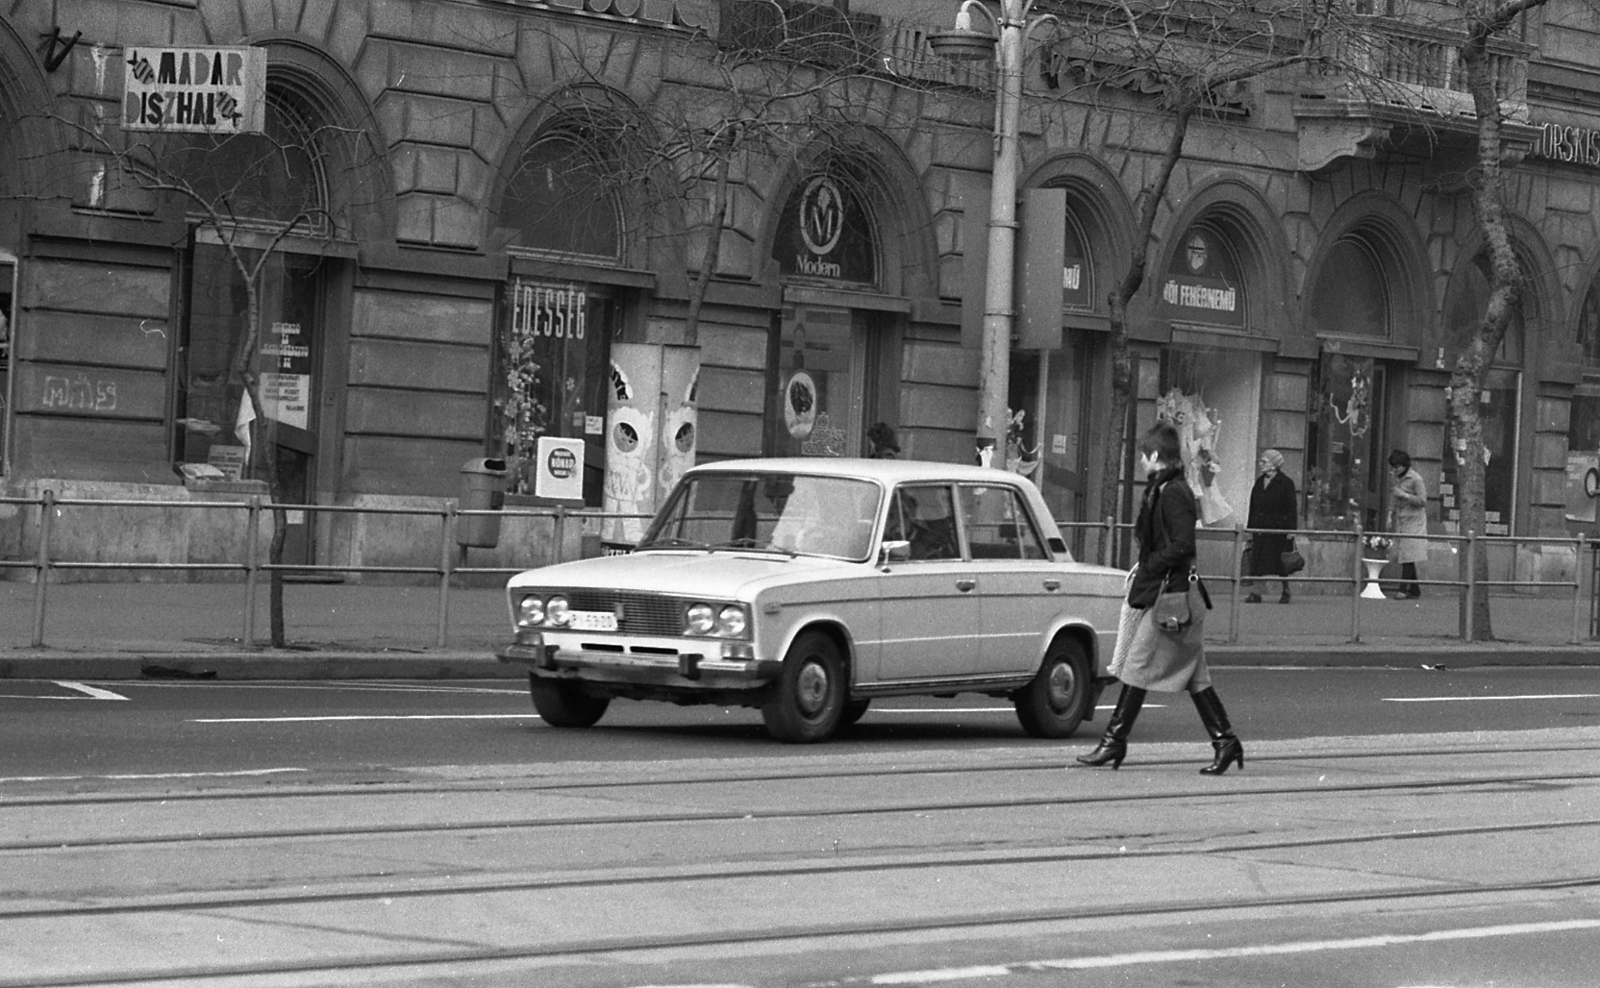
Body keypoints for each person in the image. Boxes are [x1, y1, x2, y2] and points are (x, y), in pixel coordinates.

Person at [1076, 422, 1245, 775]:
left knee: (1137, 665)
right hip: (1172, 596)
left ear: (1154, 456)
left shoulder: (1172, 492)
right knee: (1196, 677)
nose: (1140, 461)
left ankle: (1114, 742)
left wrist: (1149, 565)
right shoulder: (1167, 488)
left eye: (1142, 455)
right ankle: (1225, 742)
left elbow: (1183, 545)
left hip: (1171, 598)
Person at [1244, 449, 1298, 604]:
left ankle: (1286, 590)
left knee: (1281, 562)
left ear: (1274, 465)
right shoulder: (1260, 482)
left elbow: (1291, 508)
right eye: (1261, 461)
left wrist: (1291, 531)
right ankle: (1256, 592)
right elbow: (1253, 506)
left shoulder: (1286, 483)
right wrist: (1250, 528)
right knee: (1257, 561)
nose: (1261, 464)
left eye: (1264, 461)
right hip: (1260, 529)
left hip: (1278, 530)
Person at [1388, 449, 1428, 599]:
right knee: (1405, 554)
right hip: (1401, 519)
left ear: (1405, 466)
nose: (1395, 470)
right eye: (1393, 467)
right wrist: (1389, 513)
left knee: (1408, 554)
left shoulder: (1416, 479)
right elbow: (1393, 495)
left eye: (1397, 467)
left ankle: (1403, 589)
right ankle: (1415, 589)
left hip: (1414, 520)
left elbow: (1422, 500)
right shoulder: (1396, 478)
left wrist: (1404, 495)